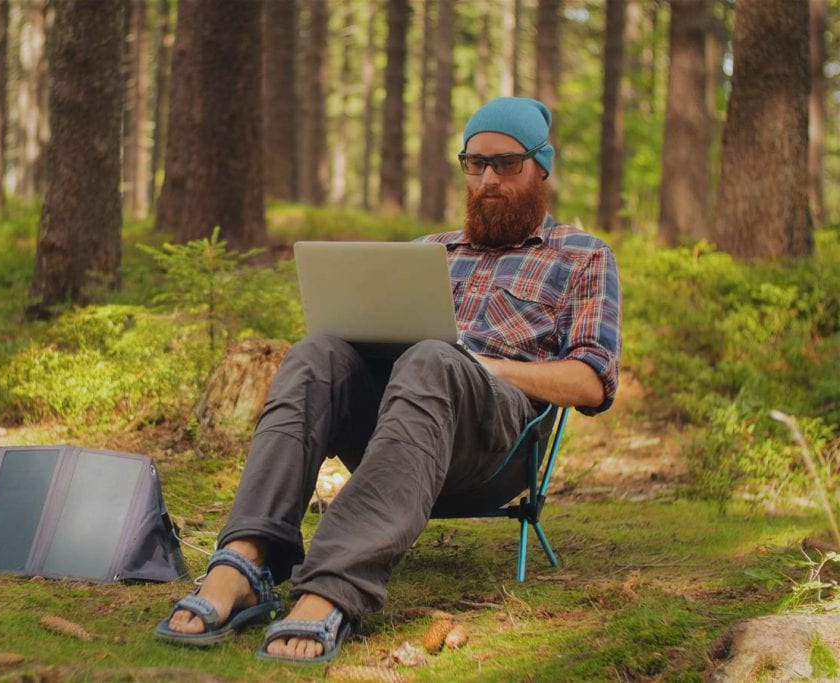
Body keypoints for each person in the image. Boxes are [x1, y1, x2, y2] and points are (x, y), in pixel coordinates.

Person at [154, 97, 621, 663]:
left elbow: (593, 381)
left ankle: (332, 586)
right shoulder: (429, 250)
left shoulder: (582, 255)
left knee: (433, 357)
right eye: (475, 164)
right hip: (398, 427)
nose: (488, 179)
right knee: (315, 355)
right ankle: (247, 559)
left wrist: (485, 366)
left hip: (492, 445)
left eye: (507, 163)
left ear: (541, 168)